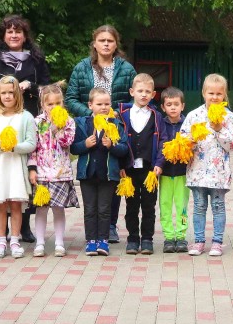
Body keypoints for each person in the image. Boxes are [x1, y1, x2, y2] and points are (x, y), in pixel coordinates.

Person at [65, 25, 137, 243]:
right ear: (94, 43)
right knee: (96, 172)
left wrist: (117, 115)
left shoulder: (126, 69)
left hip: (117, 126)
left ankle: (111, 225)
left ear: (116, 44)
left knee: (113, 173)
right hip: (90, 126)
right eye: (102, 40)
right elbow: (71, 98)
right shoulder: (82, 68)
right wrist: (91, 115)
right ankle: (94, 234)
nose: (106, 44)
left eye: (110, 41)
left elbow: (134, 97)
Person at [183, 74, 233, 257]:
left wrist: (219, 129)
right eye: (211, 93)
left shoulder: (229, 117)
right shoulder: (194, 115)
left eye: (219, 93)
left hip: (218, 172)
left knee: (218, 207)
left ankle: (217, 242)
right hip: (197, 170)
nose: (214, 97)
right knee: (199, 206)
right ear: (203, 93)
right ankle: (199, 241)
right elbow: (182, 137)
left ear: (224, 95)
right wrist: (188, 142)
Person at [0, 76, 38, 257]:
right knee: (0, 205)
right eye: (3, 93)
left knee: (15, 205)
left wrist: (15, 147)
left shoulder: (26, 117)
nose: (7, 96)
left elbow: (31, 143)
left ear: (18, 95)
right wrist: (0, 146)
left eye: (11, 93)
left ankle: (15, 240)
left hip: (16, 167)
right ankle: (1, 241)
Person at [70, 87, 129, 256]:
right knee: (90, 209)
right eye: (99, 104)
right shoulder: (82, 123)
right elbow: (74, 148)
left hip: (108, 174)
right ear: (90, 105)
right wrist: (84, 145)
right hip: (87, 174)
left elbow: (124, 148)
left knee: (104, 209)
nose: (104, 107)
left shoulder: (116, 124)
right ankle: (91, 240)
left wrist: (112, 146)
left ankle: (103, 240)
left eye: (107, 104)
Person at [30, 85, 78, 257]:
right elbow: (33, 148)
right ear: (43, 104)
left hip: (60, 173)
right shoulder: (36, 122)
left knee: (59, 209)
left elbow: (68, 143)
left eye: (58, 103)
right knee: (41, 209)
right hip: (42, 173)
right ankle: (40, 243)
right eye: (50, 104)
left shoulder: (69, 122)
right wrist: (32, 169)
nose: (54, 107)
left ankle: (59, 242)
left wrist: (58, 128)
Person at [119, 74, 165, 255]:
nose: (144, 95)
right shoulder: (122, 115)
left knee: (148, 206)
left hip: (149, 171)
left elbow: (163, 140)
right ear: (132, 92)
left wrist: (160, 163)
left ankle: (147, 239)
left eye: (148, 92)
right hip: (129, 170)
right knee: (131, 205)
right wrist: (121, 165)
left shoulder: (156, 116)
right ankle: (132, 238)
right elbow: (118, 141)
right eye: (140, 91)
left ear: (153, 94)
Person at [0, 15, 52, 116]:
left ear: (25, 37)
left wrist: (30, 86)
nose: (14, 35)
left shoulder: (36, 58)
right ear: (4, 36)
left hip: (29, 116)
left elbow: (47, 90)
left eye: (18, 32)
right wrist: (8, 91)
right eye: (10, 32)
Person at [158, 88, 190, 254]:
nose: (173, 108)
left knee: (182, 206)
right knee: (165, 206)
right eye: (169, 104)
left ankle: (181, 235)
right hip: (164, 173)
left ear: (182, 106)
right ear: (163, 107)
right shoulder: (160, 124)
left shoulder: (188, 124)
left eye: (176, 104)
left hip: (182, 173)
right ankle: (169, 237)